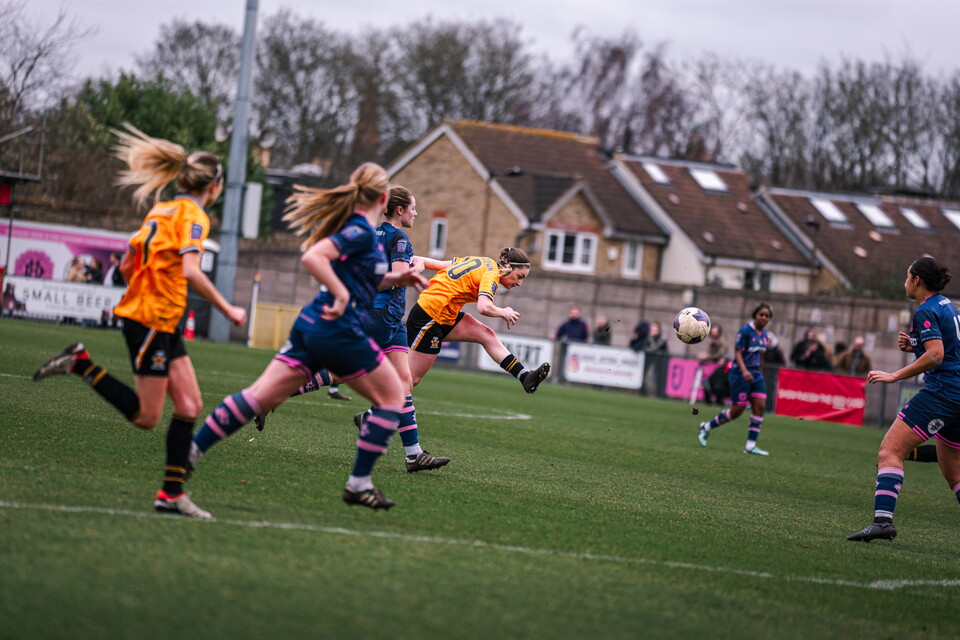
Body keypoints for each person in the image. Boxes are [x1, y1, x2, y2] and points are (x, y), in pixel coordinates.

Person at [32, 123, 248, 519]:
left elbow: (128, 263)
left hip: (158, 319)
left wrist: (147, 291)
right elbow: (191, 270)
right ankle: (80, 364)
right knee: (148, 417)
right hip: (151, 320)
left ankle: (171, 495)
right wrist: (228, 309)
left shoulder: (161, 209)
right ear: (215, 187)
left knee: (190, 404)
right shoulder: (194, 216)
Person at [189, 162, 429, 511]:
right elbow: (314, 257)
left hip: (313, 323)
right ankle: (359, 483)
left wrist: (400, 278)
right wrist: (342, 294)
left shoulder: (362, 230)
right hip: (339, 328)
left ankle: (189, 453)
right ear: (383, 199)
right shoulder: (362, 230)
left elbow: (367, 276)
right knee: (395, 396)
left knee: (259, 396)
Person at [255, 185, 451, 473]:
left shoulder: (374, 233)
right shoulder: (399, 238)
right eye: (413, 208)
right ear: (400, 210)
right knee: (342, 371)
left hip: (390, 318)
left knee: (404, 382)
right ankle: (269, 396)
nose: (416, 213)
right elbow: (398, 277)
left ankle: (414, 455)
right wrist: (415, 270)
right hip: (382, 315)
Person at [847, 257, 960, 542]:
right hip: (956, 394)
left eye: (907, 276)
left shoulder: (925, 310)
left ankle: (883, 521)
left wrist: (894, 375)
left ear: (917, 280)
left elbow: (937, 355)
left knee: (890, 451)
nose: (904, 281)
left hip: (942, 393)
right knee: (955, 474)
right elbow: (949, 348)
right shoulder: (947, 306)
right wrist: (916, 346)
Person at [407, 248, 551, 393]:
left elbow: (440, 264)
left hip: (444, 313)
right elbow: (484, 307)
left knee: (486, 335)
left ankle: (524, 376)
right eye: (519, 276)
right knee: (411, 380)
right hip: (430, 315)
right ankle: (396, 404)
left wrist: (412, 259)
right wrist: (504, 312)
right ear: (508, 267)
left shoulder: (483, 261)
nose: (519, 283)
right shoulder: (492, 273)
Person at [697, 303, 773, 455]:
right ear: (755, 315)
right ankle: (706, 427)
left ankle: (750, 445)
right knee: (736, 411)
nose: (764, 318)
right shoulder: (745, 331)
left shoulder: (764, 334)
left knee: (760, 408)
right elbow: (737, 353)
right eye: (761, 315)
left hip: (756, 376)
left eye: (767, 316)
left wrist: (760, 373)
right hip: (740, 375)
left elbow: (761, 356)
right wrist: (744, 371)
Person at [642, 320, 669, 395]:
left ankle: (659, 393)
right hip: (649, 359)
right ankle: (644, 392)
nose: (652, 331)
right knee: (646, 376)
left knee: (658, 378)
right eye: (652, 329)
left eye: (655, 329)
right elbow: (645, 347)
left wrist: (652, 341)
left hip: (660, 361)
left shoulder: (662, 338)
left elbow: (657, 348)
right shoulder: (649, 337)